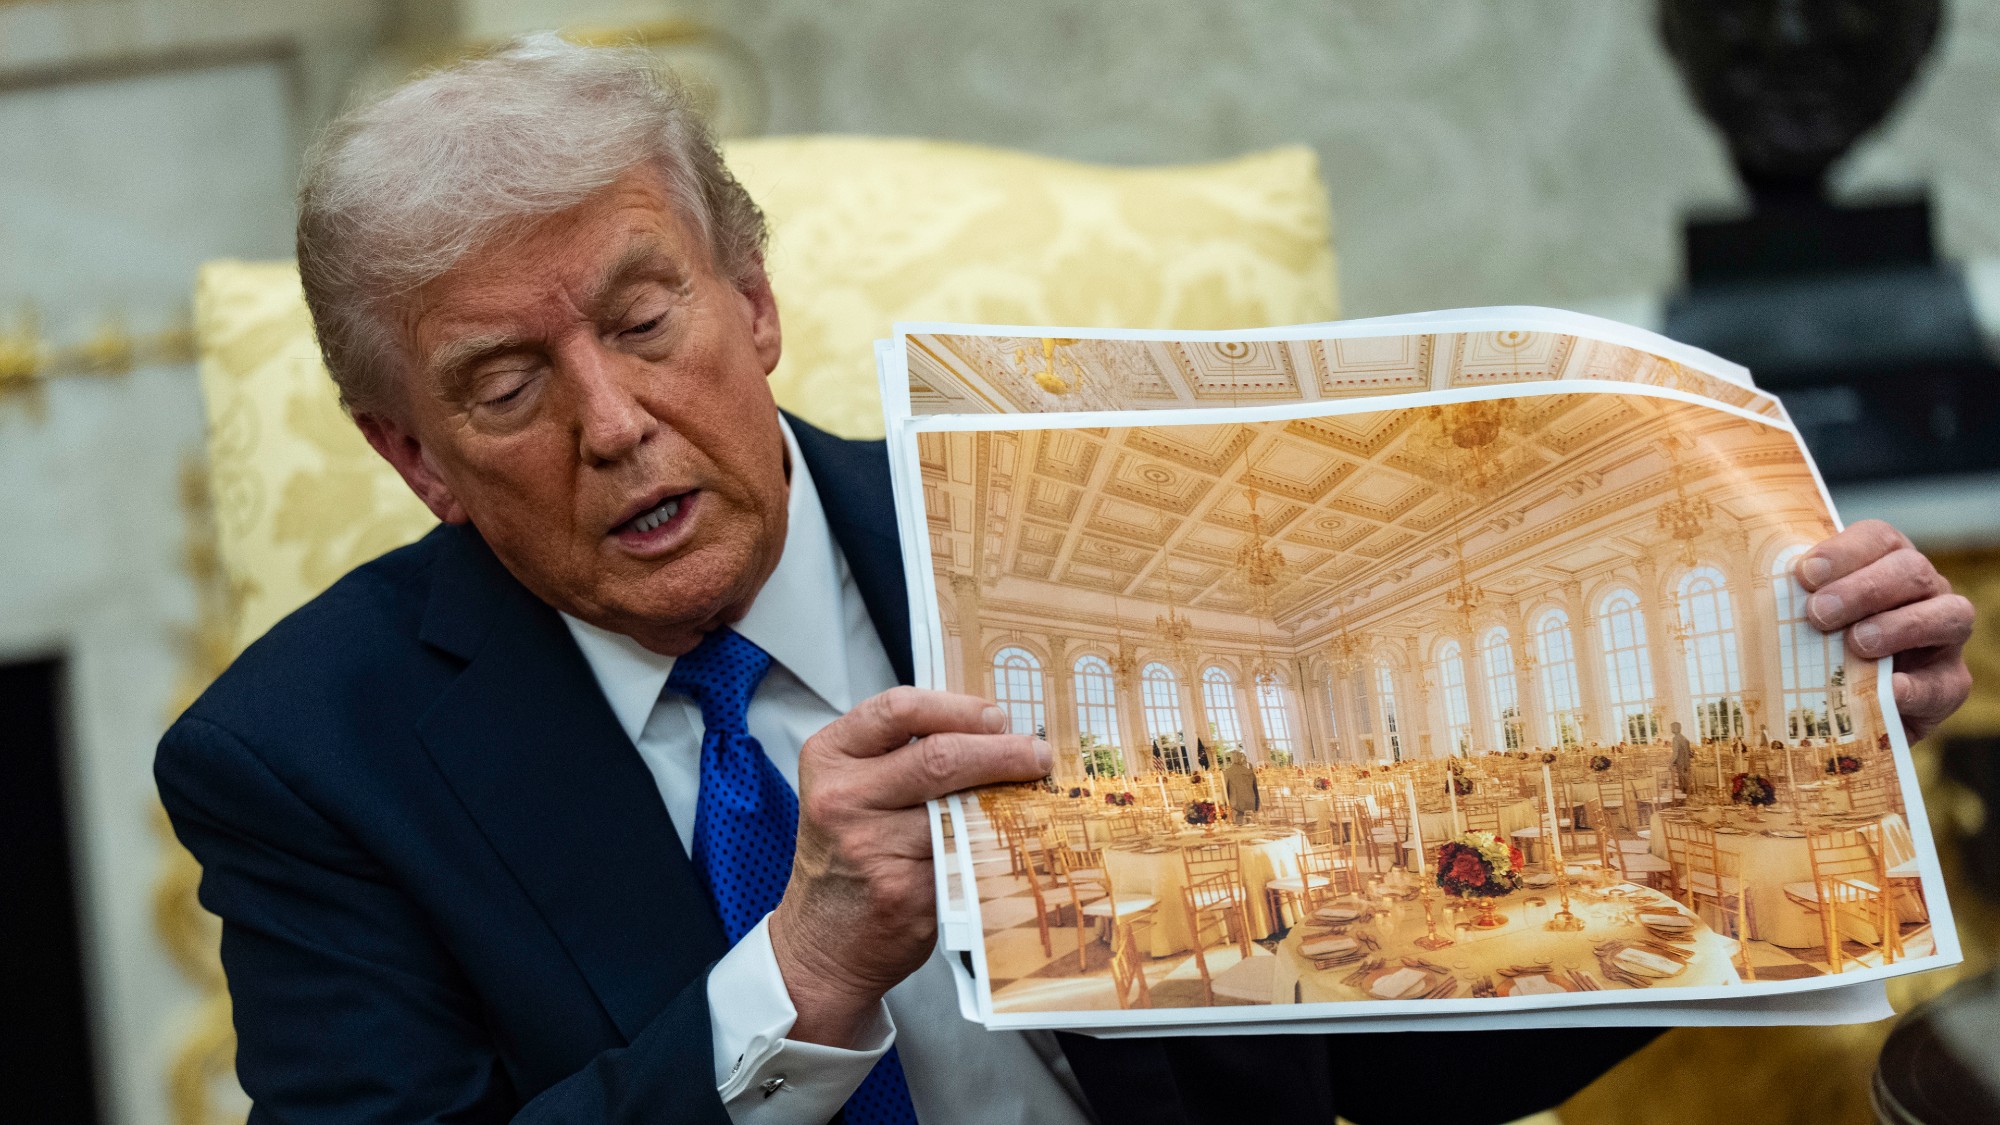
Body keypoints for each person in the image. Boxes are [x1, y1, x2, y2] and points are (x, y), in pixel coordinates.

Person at [153, 36, 1978, 1125]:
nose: (618, 422)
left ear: (755, 303)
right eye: (506, 385)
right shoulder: (307, 760)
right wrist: (792, 983)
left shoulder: (1108, 544)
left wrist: (1804, 755)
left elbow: (1412, 1048)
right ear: (412, 459)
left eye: (647, 321)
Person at [1223, 751, 1260, 824]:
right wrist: (1256, 805)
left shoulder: (1227, 773)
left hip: (1236, 803)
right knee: (1250, 821)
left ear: (1231, 759)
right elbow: (1255, 790)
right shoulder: (1249, 772)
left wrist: (1225, 805)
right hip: (1250, 800)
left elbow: (1225, 790)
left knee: (1238, 824)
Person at [1670, 721, 1695, 797]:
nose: (1671, 729)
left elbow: (1675, 753)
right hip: (1687, 763)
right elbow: (1690, 753)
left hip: (1681, 763)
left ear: (1676, 728)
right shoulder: (1684, 738)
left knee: (1683, 782)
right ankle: (1689, 798)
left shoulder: (1676, 739)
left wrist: (1670, 763)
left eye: (1672, 727)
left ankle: (1684, 801)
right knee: (1687, 782)